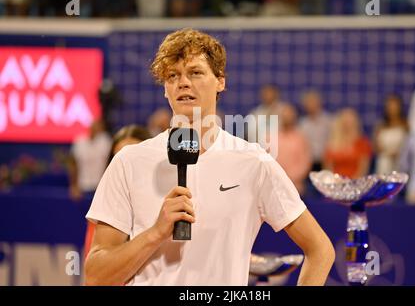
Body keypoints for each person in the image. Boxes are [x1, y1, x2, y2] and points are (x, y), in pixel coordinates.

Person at [84, 29, 334, 286]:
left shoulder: (254, 162)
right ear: (165, 90)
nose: (183, 82)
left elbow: (320, 250)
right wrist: (155, 233)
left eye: (195, 72)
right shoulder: (129, 161)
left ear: (220, 81)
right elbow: (96, 275)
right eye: (173, 75)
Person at [84, 124, 150, 258]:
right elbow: (97, 272)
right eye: (118, 158)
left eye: (133, 158)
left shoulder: (167, 203)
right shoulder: (103, 211)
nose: (124, 166)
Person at [68, 119, 112, 200]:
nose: (96, 128)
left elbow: (109, 164)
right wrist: (74, 185)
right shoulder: (79, 141)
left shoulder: (106, 141)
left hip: (100, 187)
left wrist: (107, 186)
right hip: (83, 186)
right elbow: (73, 165)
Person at [323, 108, 372, 179]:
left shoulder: (363, 143)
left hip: (356, 182)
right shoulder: (332, 144)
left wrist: (351, 183)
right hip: (335, 183)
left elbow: (363, 169)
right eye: (345, 123)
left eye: (350, 123)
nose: (347, 126)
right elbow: (328, 168)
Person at [276, 104, 312, 195]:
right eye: (284, 116)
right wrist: (279, 177)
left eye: (289, 116)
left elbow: (305, 162)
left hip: (296, 185)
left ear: (294, 118)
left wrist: (289, 178)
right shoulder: (271, 137)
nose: (286, 118)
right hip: (275, 184)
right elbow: (268, 160)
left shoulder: (301, 137)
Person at [373, 94, 408, 174]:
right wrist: (386, 152)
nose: (392, 109)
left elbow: (409, 145)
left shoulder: (405, 125)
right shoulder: (381, 126)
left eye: (394, 106)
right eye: (390, 106)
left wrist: (399, 153)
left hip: (400, 161)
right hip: (384, 162)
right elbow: (375, 146)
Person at [298, 90, 332, 172]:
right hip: (308, 162)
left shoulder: (328, 121)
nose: (311, 105)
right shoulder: (302, 124)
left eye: (313, 102)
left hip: (326, 161)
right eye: (308, 103)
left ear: (319, 103)